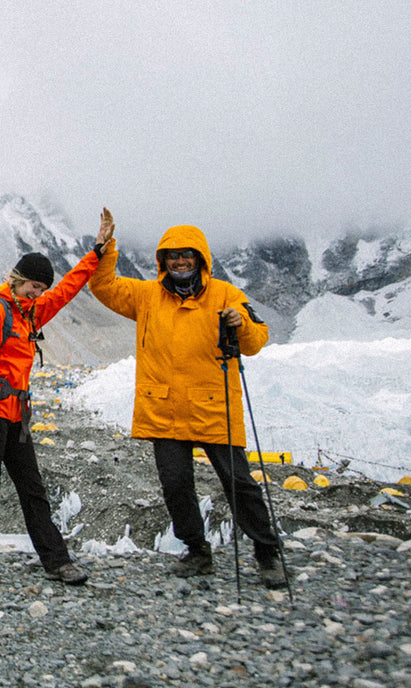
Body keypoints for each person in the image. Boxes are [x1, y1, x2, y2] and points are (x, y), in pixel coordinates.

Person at [88, 208, 287, 589]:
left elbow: (256, 340)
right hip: (163, 407)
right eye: (172, 255)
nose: (180, 261)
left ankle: (266, 552)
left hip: (213, 406)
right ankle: (197, 550)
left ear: (200, 259)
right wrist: (105, 246)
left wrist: (239, 323)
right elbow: (104, 286)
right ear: (162, 262)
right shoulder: (146, 296)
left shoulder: (226, 295)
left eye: (186, 255)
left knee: (239, 483)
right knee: (176, 485)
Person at [0, 213, 115, 591]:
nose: (38, 293)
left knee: (32, 488)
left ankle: (57, 561)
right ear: (17, 279)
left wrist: (95, 253)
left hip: (17, 417)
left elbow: (67, 291)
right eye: (32, 286)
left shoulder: (29, 313)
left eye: (41, 288)